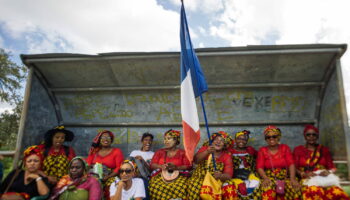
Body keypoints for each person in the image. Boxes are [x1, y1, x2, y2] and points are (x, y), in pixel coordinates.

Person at [293, 124, 350, 200]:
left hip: (325, 179)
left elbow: (332, 167)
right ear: (304, 136)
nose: (311, 137)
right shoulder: (298, 150)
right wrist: (304, 174)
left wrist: (328, 172)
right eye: (308, 135)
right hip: (307, 179)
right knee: (315, 192)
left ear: (317, 136)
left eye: (314, 135)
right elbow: (294, 167)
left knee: (336, 192)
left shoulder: (324, 150)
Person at [187, 131, 237, 200]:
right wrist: (207, 152)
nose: (218, 142)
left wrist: (221, 176)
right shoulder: (205, 148)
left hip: (217, 179)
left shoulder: (226, 156)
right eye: (216, 139)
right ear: (212, 141)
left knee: (229, 185)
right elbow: (196, 160)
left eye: (221, 141)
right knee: (195, 184)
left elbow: (228, 175)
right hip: (201, 177)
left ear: (224, 145)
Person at [256, 125, 301, 200]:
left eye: (274, 136)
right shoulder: (262, 150)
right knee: (267, 188)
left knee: (294, 188)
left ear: (278, 137)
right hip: (269, 177)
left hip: (285, 177)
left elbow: (291, 164)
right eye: (268, 137)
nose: (271, 138)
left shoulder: (285, 148)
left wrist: (292, 179)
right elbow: (259, 167)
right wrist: (265, 178)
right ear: (265, 139)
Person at [148, 129, 191, 200]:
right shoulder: (159, 152)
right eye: (165, 139)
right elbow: (152, 165)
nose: (166, 141)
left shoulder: (182, 153)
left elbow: (189, 166)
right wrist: (161, 166)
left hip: (179, 176)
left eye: (169, 138)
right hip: (160, 176)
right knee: (155, 185)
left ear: (176, 140)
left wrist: (176, 167)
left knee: (181, 186)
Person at [86, 130, 124, 200]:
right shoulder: (94, 151)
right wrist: (95, 168)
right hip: (94, 175)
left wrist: (108, 176)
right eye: (103, 137)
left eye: (108, 138)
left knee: (112, 185)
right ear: (99, 140)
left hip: (110, 176)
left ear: (111, 140)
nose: (106, 139)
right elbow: (87, 164)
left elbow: (119, 167)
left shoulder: (117, 151)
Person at [228, 130, 260, 199]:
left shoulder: (250, 150)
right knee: (240, 187)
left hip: (248, 174)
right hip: (235, 175)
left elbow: (260, 157)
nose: (241, 141)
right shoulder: (230, 151)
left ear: (247, 141)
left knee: (255, 182)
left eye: (244, 139)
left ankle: (248, 195)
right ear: (235, 140)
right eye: (239, 138)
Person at [129, 132, 154, 200]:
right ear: (142, 141)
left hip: (146, 176)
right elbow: (128, 164)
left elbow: (151, 170)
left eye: (150, 140)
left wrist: (143, 161)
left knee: (143, 182)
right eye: (146, 140)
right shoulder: (134, 152)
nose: (148, 142)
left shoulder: (153, 154)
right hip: (134, 175)